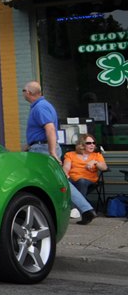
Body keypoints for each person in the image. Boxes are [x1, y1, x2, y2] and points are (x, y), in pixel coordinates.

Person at [22, 80, 95, 224]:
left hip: (42, 150)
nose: (22, 93)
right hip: (40, 147)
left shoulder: (40, 108)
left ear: (29, 93)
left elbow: (49, 129)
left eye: (23, 90)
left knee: (41, 180)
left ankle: (37, 213)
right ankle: (85, 209)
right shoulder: (43, 105)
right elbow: (43, 131)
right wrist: (29, 145)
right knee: (58, 180)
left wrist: (51, 152)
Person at [63, 133, 106, 207]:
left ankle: (77, 208)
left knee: (81, 181)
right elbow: (66, 168)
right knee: (63, 182)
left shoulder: (97, 155)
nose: (92, 145)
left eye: (94, 143)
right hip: (72, 179)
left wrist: (95, 162)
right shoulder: (70, 154)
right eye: (89, 143)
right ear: (82, 145)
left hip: (88, 180)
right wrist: (65, 176)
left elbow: (104, 167)